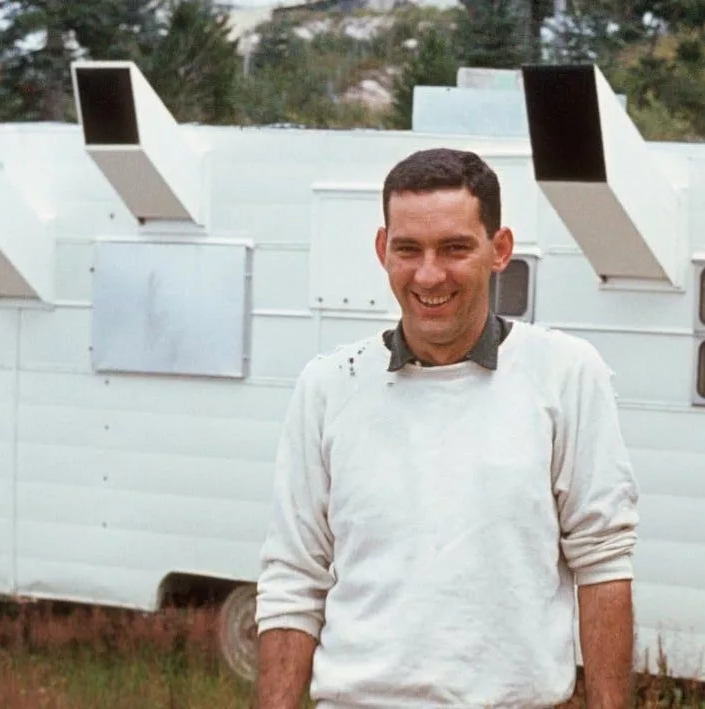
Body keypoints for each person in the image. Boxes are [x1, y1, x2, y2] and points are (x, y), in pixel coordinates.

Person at [253, 148, 640, 709]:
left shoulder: (565, 375)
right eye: (408, 250)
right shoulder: (329, 385)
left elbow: (603, 563)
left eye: (455, 248)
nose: (428, 274)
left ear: (499, 249)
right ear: (383, 250)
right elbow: (293, 580)